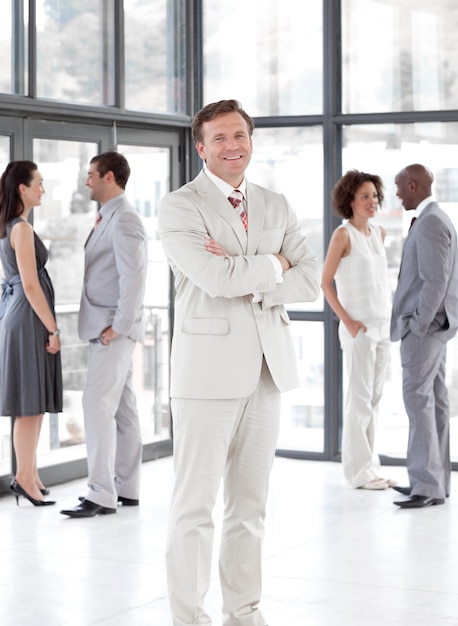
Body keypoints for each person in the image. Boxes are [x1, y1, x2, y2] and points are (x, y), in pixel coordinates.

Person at [158, 99, 320, 626]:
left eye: (240, 136)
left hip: (267, 374)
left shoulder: (275, 203)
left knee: (249, 508)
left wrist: (251, 268)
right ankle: (189, 618)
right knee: (194, 509)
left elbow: (310, 277)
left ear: (252, 141)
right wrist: (275, 263)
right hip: (205, 377)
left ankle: (244, 613)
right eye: (220, 138)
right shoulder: (180, 207)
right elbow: (215, 280)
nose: (232, 146)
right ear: (201, 148)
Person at [60, 151, 147, 518]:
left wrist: (120, 326)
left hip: (112, 330)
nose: (87, 182)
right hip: (109, 326)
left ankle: (100, 494)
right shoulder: (108, 217)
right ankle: (126, 488)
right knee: (123, 410)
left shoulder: (124, 219)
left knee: (95, 406)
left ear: (109, 177)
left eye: (91, 175)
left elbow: (135, 278)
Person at [321, 170, 395, 490]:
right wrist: (348, 322)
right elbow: (325, 283)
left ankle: (371, 468)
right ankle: (357, 473)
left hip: (383, 326)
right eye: (365, 196)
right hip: (359, 330)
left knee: (374, 400)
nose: (372, 201)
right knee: (359, 400)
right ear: (349, 200)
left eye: (375, 196)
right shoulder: (343, 235)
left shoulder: (379, 233)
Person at [391, 163, 458, 509]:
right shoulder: (435, 218)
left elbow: (435, 281)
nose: (397, 193)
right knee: (434, 404)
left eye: (400, 187)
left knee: (419, 404)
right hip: (436, 329)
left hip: (425, 331)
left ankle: (425, 485)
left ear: (413, 185)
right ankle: (434, 483)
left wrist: (418, 324)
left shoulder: (431, 222)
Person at [0, 160, 62, 507]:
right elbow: (29, 284)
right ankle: (23, 478)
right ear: (22, 188)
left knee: (32, 402)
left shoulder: (11, 225)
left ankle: (30, 473)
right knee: (28, 404)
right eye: (38, 183)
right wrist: (54, 328)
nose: (42, 189)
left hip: (19, 315)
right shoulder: (20, 229)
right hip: (27, 317)